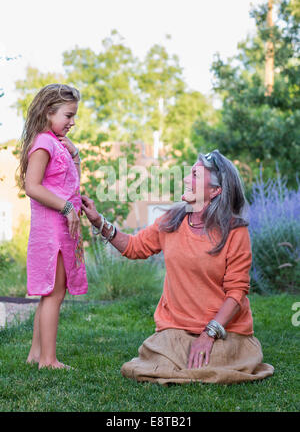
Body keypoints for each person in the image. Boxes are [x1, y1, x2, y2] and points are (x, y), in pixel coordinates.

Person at [82, 150, 274, 385]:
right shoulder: (171, 220)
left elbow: (237, 292)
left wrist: (209, 334)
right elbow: (134, 247)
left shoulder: (235, 230)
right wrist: (98, 221)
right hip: (177, 328)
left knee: (215, 362)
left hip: (223, 330)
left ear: (215, 191)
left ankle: (216, 355)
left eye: (194, 175)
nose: (185, 179)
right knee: (158, 361)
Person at [18, 84, 88, 369]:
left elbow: (70, 183)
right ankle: (48, 360)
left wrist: (76, 155)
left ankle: (36, 354)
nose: (72, 122)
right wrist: (68, 207)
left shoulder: (55, 143)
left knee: (51, 293)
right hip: (51, 232)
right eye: (68, 115)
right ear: (49, 112)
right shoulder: (44, 144)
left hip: (59, 230)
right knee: (54, 294)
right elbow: (31, 186)